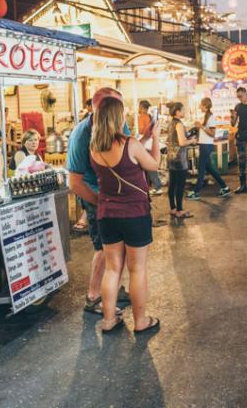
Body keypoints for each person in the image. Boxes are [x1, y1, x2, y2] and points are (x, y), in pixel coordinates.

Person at [89, 96, 161, 334]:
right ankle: (141, 321)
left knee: (112, 269)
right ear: (118, 117)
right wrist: (156, 137)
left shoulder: (94, 147)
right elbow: (153, 164)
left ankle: (109, 320)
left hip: (107, 213)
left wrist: (145, 137)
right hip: (134, 213)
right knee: (137, 269)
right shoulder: (130, 143)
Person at [67, 88, 132, 315]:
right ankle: (94, 296)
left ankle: (114, 288)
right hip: (96, 195)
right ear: (96, 110)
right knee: (104, 249)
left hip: (118, 196)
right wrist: (99, 202)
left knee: (120, 248)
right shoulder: (81, 135)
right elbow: (74, 183)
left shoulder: (119, 125)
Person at [187, 98, 230, 199]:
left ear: (205, 106)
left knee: (201, 169)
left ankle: (196, 192)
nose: (199, 107)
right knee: (209, 168)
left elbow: (212, 134)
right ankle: (225, 187)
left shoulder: (211, 118)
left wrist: (201, 126)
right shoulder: (206, 117)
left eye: (201, 105)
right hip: (203, 145)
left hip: (206, 146)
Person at [167, 101, 197, 218]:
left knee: (172, 184)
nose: (184, 112)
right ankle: (179, 210)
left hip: (171, 157)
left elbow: (171, 140)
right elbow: (182, 142)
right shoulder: (178, 124)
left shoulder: (171, 123)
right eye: (183, 110)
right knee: (180, 185)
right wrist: (192, 141)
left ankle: (173, 208)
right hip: (180, 158)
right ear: (178, 112)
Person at [137, 100, 163, 195]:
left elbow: (141, 130)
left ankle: (157, 186)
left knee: (147, 165)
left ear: (143, 108)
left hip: (144, 142)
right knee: (150, 165)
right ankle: (154, 185)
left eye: (139, 106)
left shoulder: (141, 117)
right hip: (150, 142)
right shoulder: (150, 117)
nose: (138, 108)